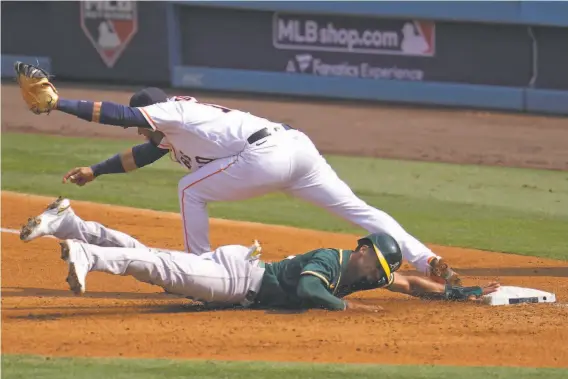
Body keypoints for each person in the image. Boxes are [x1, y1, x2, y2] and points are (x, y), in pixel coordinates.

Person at [14, 61, 460, 285]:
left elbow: (110, 113)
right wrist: (96, 171)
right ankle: (426, 260)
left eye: (141, 119)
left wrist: (61, 105)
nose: (140, 126)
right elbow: (143, 154)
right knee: (358, 210)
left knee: (190, 190)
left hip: (265, 154)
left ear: (150, 109)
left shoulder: (170, 111)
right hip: (297, 148)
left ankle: (203, 270)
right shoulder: (173, 130)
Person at [20, 198, 499, 311]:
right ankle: (86, 253)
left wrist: (464, 293)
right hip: (237, 282)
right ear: (363, 250)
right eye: (378, 262)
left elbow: (414, 284)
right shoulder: (333, 261)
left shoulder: (369, 274)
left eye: (384, 268)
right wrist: (344, 306)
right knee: (159, 265)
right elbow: (312, 288)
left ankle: (71, 224)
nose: (380, 272)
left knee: (155, 258)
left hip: (237, 267)